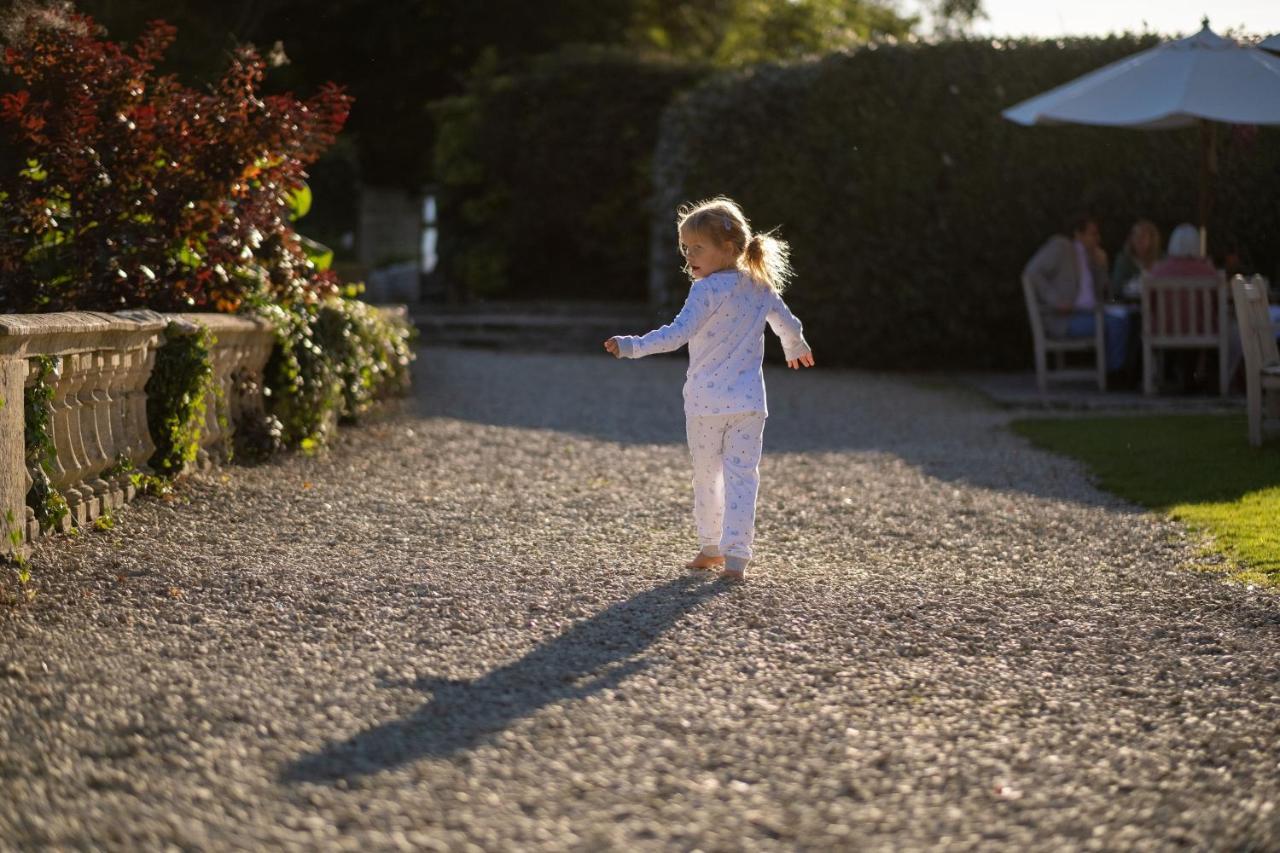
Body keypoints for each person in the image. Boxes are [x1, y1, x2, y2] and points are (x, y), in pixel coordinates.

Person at [603, 197, 814, 582]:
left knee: (707, 476)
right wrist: (795, 347)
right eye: (685, 248)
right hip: (749, 403)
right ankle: (735, 556)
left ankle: (714, 547)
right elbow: (788, 323)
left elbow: (677, 334)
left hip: (705, 404)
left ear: (728, 249)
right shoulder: (759, 287)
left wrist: (633, 346)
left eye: (697, 248)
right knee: (742, 476)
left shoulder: (705, 291)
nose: (689, 257)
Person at [1022, 212, 1129, 373]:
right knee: (1117, 322)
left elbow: (1103, 293)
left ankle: (1123, 370)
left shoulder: (1090, 257)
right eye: (1093, 234)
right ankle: (1114, 372)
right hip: (1065, 319)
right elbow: (1032, 272)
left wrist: (1101, 266)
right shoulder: (1061, 247)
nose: (1097, 239)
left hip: (1090, 313)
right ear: (1078, 234)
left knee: (1130, 318)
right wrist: (1055, 300)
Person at [1112, 219, 1162, 298]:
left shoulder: (1160, 259)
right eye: (1135, 236)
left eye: (1143, 236)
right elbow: (1117, 287)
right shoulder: (1123, 260)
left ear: (1151, 239)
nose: (1139, 240)